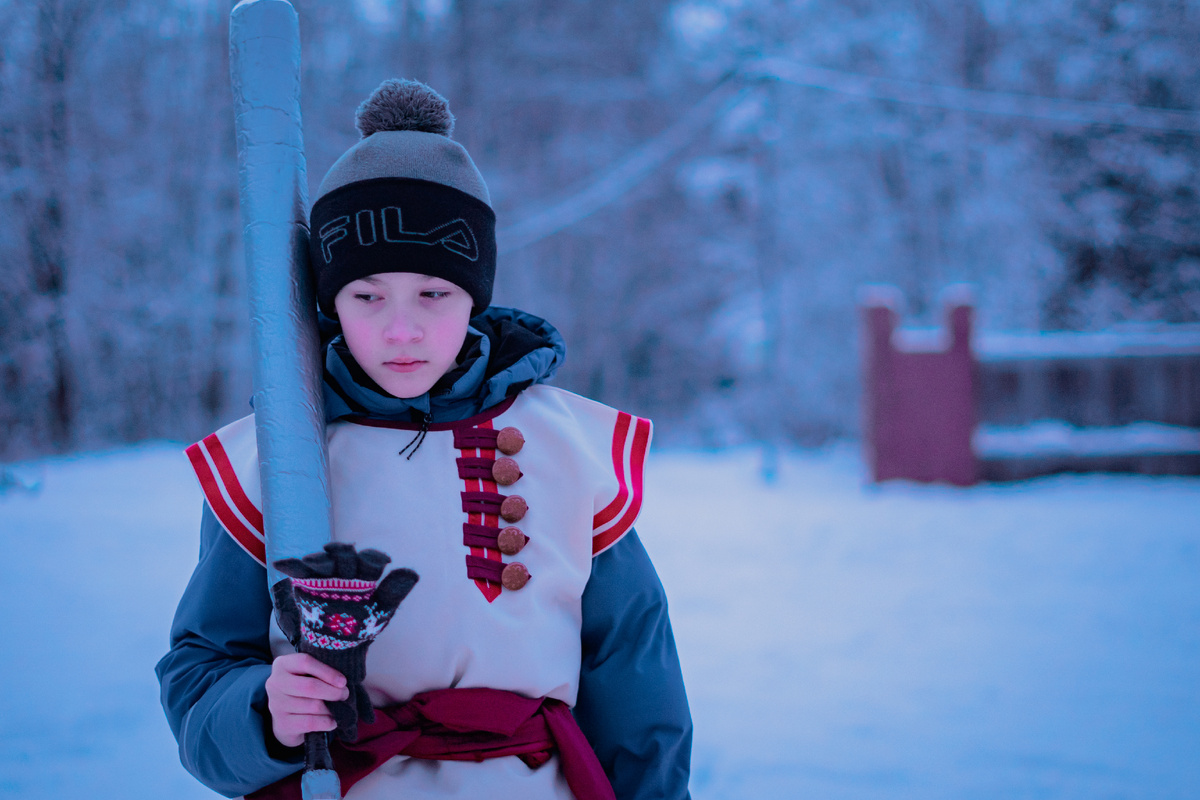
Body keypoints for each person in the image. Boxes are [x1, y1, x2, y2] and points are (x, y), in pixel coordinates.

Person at [156, 79, 692, 800]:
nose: (400, 329)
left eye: (433, 294)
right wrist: (261, 710)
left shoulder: (571, 451)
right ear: (329, 302)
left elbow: (635, 676)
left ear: (475, 295)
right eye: (366, 295)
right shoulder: (270, 464)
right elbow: (203, 670)